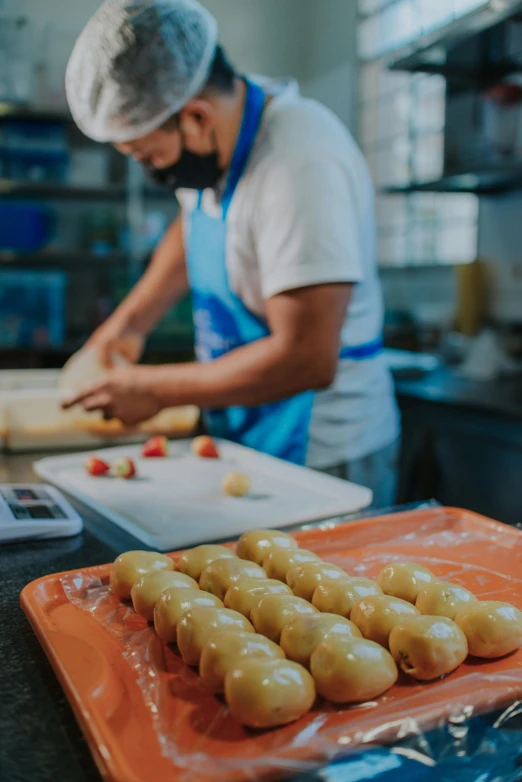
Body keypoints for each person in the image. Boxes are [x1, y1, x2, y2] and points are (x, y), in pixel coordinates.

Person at [64, 0, 400, 507]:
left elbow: (307, 357)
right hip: (250, 433)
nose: (156, 172)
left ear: (195, 117)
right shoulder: (219, 130)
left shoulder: (299, 161)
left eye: (150, 156)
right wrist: (127, 326)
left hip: (323, 452)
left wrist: (153, 389)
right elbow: (198, 219)